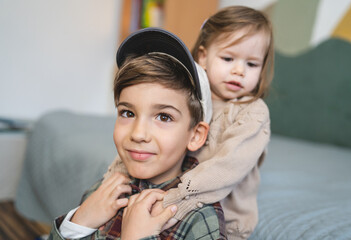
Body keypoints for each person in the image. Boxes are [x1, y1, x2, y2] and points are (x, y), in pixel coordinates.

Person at [106, 6, 274, 239]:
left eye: (252, 64)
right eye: (228, 58)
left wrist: (174, 199)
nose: (239, 71)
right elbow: (137, 146)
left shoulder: (253, 113)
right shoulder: (192, 94)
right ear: (203, 57)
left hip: (222, 219)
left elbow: (227, 168)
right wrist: (112, 179)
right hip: (175, 202)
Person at [48, 28, 227, 240]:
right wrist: (78, 222)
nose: (139, 134)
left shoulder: (199, 218)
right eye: (128, 113)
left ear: (195, 135)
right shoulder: (106, 188)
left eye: (163, 117)